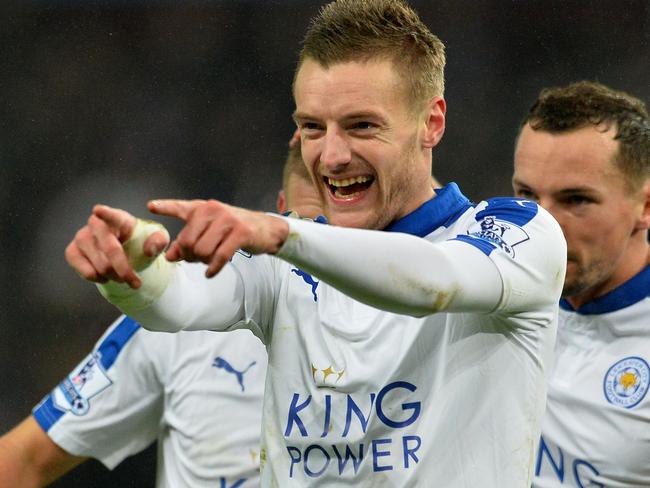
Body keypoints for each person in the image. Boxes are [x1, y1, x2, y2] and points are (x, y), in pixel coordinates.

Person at [64, 1, 566, 486]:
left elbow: (434, 282)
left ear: (430, 123)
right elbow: (179, 305)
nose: (331, 155)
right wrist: (131, 275)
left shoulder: (517, 234)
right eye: (311, 127)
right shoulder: (284, 258)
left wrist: (285, 233)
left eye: (361, 126)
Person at [0, 143, 322, 488]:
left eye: (344, 241)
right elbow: (24, 459)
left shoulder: (387, 334)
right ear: (274, 216)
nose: (324, 257)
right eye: (302, 233)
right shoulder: (184, 324)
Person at [512, 81, 650, 487]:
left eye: (575, 200)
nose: (542, 226)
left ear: (645, 208)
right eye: (527, 194)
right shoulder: (492, 296)